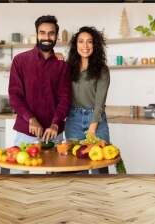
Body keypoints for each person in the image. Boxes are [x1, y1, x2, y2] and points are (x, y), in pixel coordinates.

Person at [7, 15, 71, 173]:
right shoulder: (20, 61)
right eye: (42, 33)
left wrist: (55, 123)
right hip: (26, 132)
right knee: (17, 176)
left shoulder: (62, 65)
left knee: (56, 179)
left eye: (51, 33)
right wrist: (31, 119)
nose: (46, 37)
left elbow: (65, 98)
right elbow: (15, 96)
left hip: (54, 133)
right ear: (36, 34)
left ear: (56, 36)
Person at [65, 26, 111, 174]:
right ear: (75, 45)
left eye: (89, 42)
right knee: (77, 168)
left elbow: (100, 103)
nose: (85, 46)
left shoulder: (102, 70)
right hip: (74, 120)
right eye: (81, 41)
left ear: (95, 45)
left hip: (96, 120)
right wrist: (56, 55)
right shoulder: (67, 67)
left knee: (99, 168)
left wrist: (92, 130)